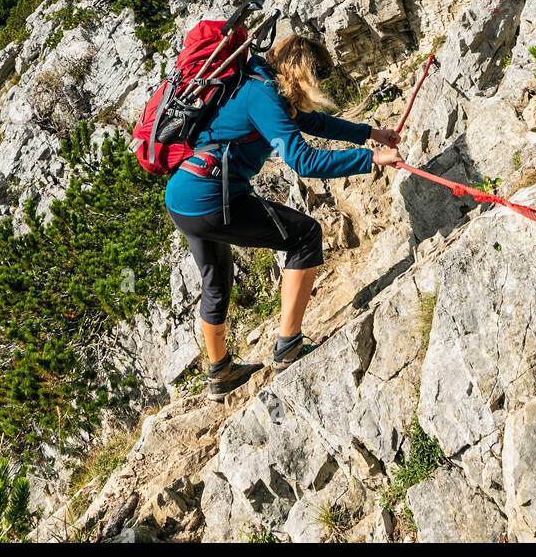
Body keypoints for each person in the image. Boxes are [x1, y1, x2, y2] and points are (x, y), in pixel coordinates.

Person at [164, 32, 401, 398]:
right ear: (302, 72)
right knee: (304, 236)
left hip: (183, 197)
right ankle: (288, 347)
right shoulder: (263, 96)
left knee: (216, 280)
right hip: (213, 197)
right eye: (319, 74)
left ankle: (220, 372)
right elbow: (303, 160)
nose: (321, 82)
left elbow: (312, 124)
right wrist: (368, 159)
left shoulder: (257, 79)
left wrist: (370, 133)